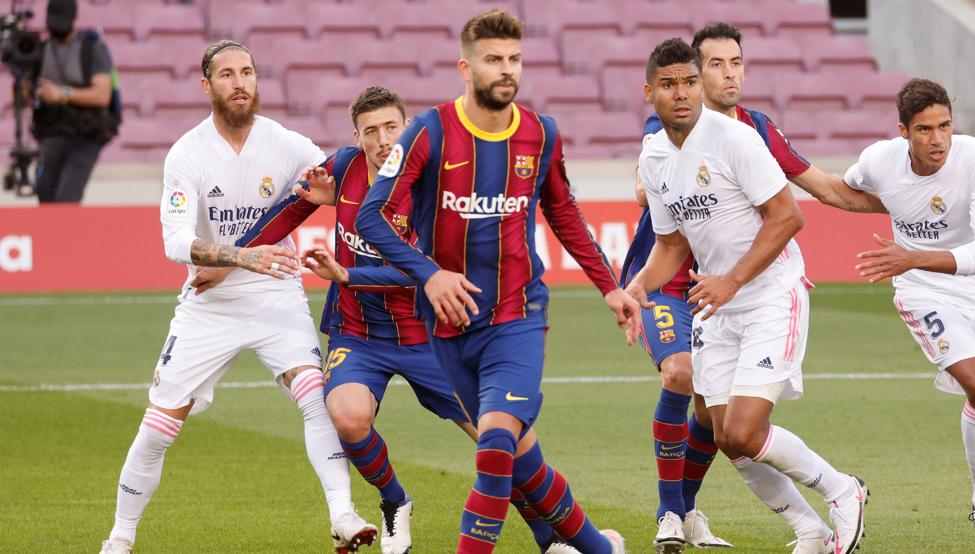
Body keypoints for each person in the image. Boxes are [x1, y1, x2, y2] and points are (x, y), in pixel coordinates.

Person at [235, 85, 583, 554]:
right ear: (357, 138)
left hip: (431, 336)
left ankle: (550, 539)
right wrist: (237, 256)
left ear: (408, 129)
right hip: (358, 334)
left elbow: (417, 273)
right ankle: (395, 501)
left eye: (391, 128)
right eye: (370, 131)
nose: (382, 140)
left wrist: (347, 274)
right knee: (348, 417)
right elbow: (293, 208)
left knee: (500, 439)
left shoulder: (436, 185)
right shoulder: (343, 169)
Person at [355, 10, 640, 554]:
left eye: (514, 59)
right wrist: (430, 273)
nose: (506, 70)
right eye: (493, 60)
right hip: (448, 325)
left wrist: (609, 285)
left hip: (518, 315)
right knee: (524, 463)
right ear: (466, 67)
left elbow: (565, 215)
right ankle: (601, 550)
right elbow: (373, 216)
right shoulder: (427, 132)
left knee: (493, 447)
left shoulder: (540, 134)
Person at [97, 41, 375, 554]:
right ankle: (120, 536)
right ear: (207, 87)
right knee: (159, 428)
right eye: (226, 74)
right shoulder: (188, 153)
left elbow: (344, 185)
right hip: (210, 304)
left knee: (317, 399)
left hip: (277, 294)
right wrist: (240, 257)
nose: (240, 82)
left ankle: (343, 514)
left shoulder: (287, 143)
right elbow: (175, 241)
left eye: (247, 71)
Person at [620, 22, 885, 552]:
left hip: (767, 294)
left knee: (742, 431)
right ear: (650, 92)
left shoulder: (740, 136)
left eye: (691, 81)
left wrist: (732, 281)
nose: (685, 91)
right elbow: (670, 245)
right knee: (721, 434)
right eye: (671, 84)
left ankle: (842, 490)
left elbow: (788, 217)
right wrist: (635, 289)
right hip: (716, 304)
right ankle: (808, 529)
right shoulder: (654, 156)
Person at [817, 78, 975, 524]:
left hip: (956, 273)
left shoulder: (972, 159)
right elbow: (846, 190)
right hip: (923, 290)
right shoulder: (879, 160)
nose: (938, 138)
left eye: (945, 126)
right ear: (903, 131)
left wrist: (911, 255)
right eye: (925, 129)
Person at [32, 0, 119, 203]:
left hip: (85, 136)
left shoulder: (90, 47)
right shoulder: (42, 50)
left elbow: (102, 95)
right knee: (45, 195)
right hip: (51, 132)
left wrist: (61, 93)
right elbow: (21, 95)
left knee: (66, 198)